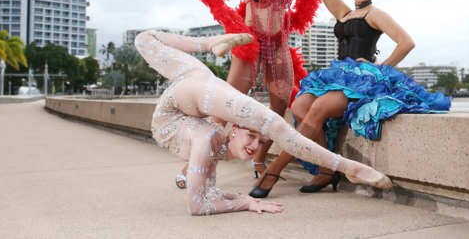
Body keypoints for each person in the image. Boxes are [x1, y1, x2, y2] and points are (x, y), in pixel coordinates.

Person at [249, 0, 451, 198]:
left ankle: (273, 173)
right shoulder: (344, 12)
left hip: (360, 80)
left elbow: (407, 42)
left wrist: (379, 69)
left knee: (317, 110)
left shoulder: (375, 14)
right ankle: (325, 170)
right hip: (336, 76)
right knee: (298, 107)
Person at [164, 0, 329, 183]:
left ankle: (259, 159)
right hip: (251, 47)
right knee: (223, 105)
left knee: (278, 110)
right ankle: (192, 166)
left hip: (279, 49)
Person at [134, 30, 391, 215]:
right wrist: (245, 202)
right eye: (251, 137)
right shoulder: (206, 137)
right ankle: (349, 167)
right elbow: (198, 205)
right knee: (274, 125)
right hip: (190, 97)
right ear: (233, 128)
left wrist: (239, 198)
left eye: (260, 142)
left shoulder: (209, 134)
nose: (255, 146)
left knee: (144, 39)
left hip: (194, 85)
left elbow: (208, 195)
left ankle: (210, 42)